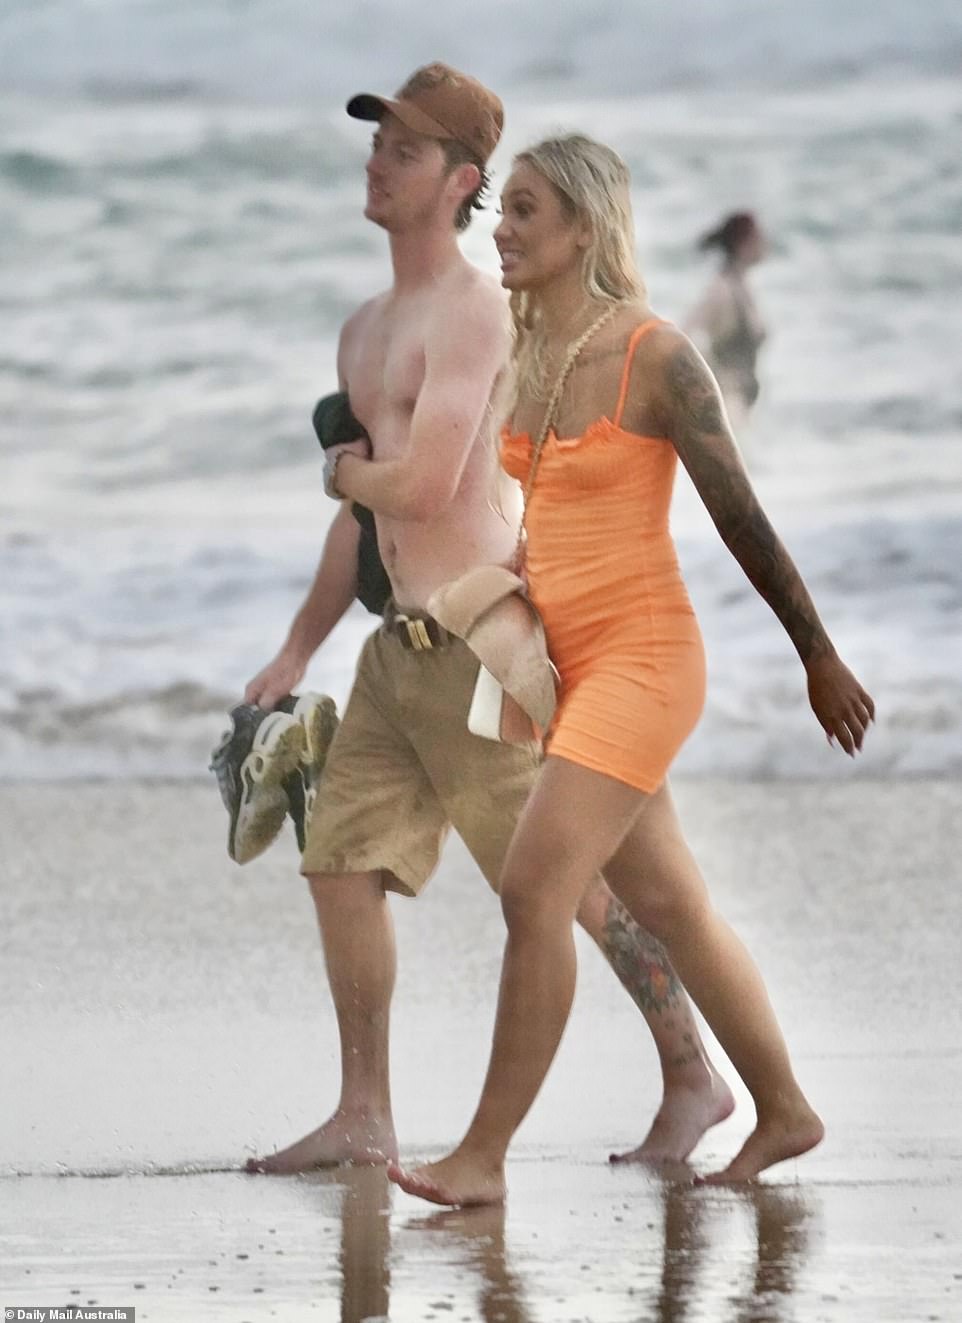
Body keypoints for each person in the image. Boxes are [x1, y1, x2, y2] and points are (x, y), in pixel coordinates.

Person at [242, 66, 735, 1174]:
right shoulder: (363, 331)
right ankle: (363, 1111)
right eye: (376, 145)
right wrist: (295, 646)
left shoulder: (476, 316)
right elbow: (371, 523)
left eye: (405, 152)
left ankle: (692, 1074)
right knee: (337, 865)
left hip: (482, 647)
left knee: (582, 890)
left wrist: (341, 472)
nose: (377, 163)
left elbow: (412, 486)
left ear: (461, 180)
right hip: (395, 650)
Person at [387, 134, 875, 1207]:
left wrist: (817, 654)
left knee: (535, 886)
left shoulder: (656, 355)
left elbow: (739, 519)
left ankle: (481, 1159)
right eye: (498, 210)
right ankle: (784, 1108)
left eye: (520, 210)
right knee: (671, 903)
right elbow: (545, 507)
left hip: (645, 659)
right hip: (567, 662)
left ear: (582, 229)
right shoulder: (523, 349)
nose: (499, 229)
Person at [686, 211, 767, 434]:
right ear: (744, 244)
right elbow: (684, 335)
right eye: (758, 237)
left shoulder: (741, 286)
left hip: (742, 398)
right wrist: (706, 380)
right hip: (728, 399)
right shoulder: (721, 289)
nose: (765, 242)